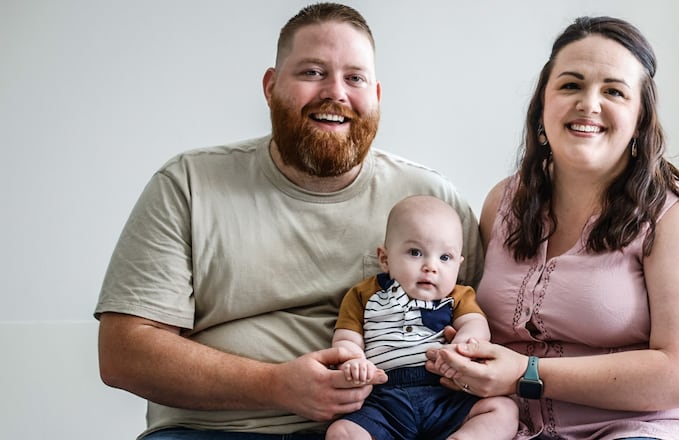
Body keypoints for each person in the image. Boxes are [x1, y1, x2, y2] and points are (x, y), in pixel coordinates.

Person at [94, 3, 484, 439]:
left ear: (375, 95)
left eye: (353, 78)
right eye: (312, 72)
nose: (335, 92)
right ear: (271, 86)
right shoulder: (188, 184)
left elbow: (491, 328)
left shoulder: (431, 201)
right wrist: (276, 385)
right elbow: (122, 353)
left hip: (391, 426)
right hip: (212, 430)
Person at [426, 15, 679, 440]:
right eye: (571, 85)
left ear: (641, 118)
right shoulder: (503, 202)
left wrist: (525, 373)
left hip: (658, 425)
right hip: (518, 425)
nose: (589, 103)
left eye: (613, 91)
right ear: (542, 106)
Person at [326, 195, 518, 440]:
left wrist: (463, 344)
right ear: (385, 259)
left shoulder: (458, 296)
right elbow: (346, 338)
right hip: (384, 399)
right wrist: (353, 361)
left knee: (503, 409)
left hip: (447, 393)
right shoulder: (364, 295)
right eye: (415, 253)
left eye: (445, 258)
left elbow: (475, 323)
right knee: (341, 432)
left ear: (458, 265)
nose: (431, 266)